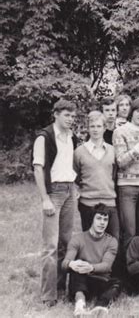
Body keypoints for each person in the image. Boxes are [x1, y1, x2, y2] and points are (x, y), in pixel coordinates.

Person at [32, 99, 79, 306]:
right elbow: (38, 169)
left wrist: (76, 187)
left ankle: (61, 287)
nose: (71, 119)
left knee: (65, 244)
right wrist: (45, 199)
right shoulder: (44, 137)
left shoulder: (71, 137)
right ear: (56, 114)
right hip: (54, 192)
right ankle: (48, 296)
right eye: (67, 115)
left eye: (73, 115)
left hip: (70, 190)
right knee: (50, 246)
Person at [62, 204, 120, 317]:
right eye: (98, 218)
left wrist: (91, 267)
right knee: (76, 271)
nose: (102, 222)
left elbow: (107, 266)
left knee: (117, 283)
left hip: (100, 281)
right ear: (92, 220)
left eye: (105, 219)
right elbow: (64, 263)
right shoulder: (77, 239)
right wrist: (72, 264)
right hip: (82, 280)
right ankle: (80, 306)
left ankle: (101, 307)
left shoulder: (112, 241)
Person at [113, 98, 139, 246]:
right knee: (129, 231)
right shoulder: (120, 132)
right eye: (138, 111)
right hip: (127, 186)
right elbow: (121, 162)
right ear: (131, 112)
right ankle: (129, 267)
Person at [74, 111, 119, 240]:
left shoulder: (112, 150)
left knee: (113, 240)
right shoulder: (79, 152)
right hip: (88, 203)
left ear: (104, 128)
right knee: (90, 242)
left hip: (109, 201)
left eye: (99, 126)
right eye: (92, 126)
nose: (95, 130)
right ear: (88, 128)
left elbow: (114, 173)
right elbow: (76, 175)